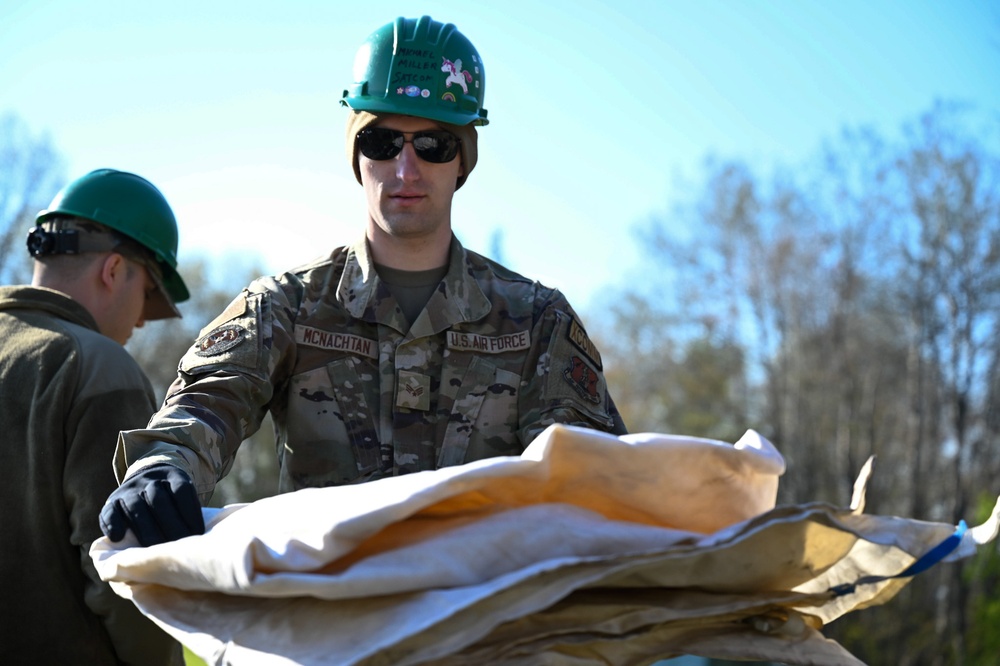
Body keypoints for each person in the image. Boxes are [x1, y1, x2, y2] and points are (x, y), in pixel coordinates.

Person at [100, 15, 628, 548]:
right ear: (356, 151)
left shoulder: (537, 321)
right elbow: (207, 403)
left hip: (480, 618)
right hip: (329, 615)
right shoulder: (286, 307)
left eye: (434, 145)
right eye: (381, 140)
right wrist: (163, 468)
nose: (405, 170)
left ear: (463, 161)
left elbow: (594, 475)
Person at [0, 169, 188, 664]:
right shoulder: (98, 367)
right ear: (112, 270)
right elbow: (121, 570)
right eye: (148, 292)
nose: (143, 318)